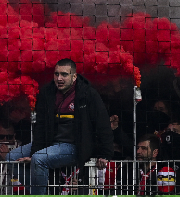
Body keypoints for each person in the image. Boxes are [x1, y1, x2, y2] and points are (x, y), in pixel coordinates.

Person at [6, 58, 114, 195]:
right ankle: (42, 192)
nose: (59, 78)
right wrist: (34, 153)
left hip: (75, 146)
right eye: (56, 74)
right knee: (11, 157)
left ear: (74, 76)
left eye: (64, 74)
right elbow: (40, 128)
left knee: (39, 159)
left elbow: (103, 124)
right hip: (49, 143)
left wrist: (105, 154)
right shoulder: (47, 93)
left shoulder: (88, 94)